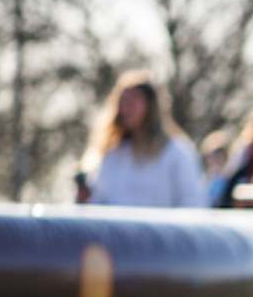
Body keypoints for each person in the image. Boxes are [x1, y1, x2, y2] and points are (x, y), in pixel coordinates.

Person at [80, 70, 208, 208]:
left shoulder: (176, 153)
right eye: (123, 101)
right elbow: (99, 202)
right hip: (117, 230)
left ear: (151, 106)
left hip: (161, 229)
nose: (126, 108)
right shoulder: (112, 154)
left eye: (133, 101)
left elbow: (192, 204)